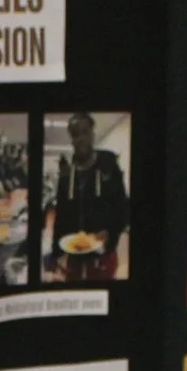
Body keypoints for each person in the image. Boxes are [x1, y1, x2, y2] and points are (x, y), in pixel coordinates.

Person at [50, 111, 129, 279]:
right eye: (75, 134)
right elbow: (60, 217)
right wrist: (55, 255)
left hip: (103, 257)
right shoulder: (65, 175)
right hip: (73, 258)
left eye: (85, 132)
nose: (80, 139)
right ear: (71, 138)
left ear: (93, 134)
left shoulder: (108, 168)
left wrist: (110, 232)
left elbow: (123, 209)